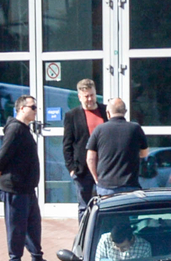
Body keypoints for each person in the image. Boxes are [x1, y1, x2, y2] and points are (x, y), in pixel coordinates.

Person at [0, 94, 48, 261]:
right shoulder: (15, 129)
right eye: (33, 107)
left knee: (32, 225)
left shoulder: (24, 129)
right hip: (14, 188)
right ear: (22, 108)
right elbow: (4, 153)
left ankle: (37, 259)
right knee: (16, 226)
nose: (35, 111)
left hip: (27, 187)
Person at [87, 98, 148, 197]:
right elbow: (144, 153)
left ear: (108, 113)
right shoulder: (135, 129)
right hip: (130, 185)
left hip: (106, 187)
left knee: (108, 212)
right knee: (129, 212)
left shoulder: (99, 130)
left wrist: (96, 178)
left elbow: (90, 158)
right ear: (125, 112)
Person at [61, 79, 103, 207]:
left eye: (92, 95)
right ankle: (84, 227)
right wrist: (72, 169)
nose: (90, 99)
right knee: (85, 206)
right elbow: (67, 145)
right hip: (82, 170)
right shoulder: (71, 116)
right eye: (86, 96)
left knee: (107, 204)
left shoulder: (106, 111)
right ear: (79, 97)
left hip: (104, 167)